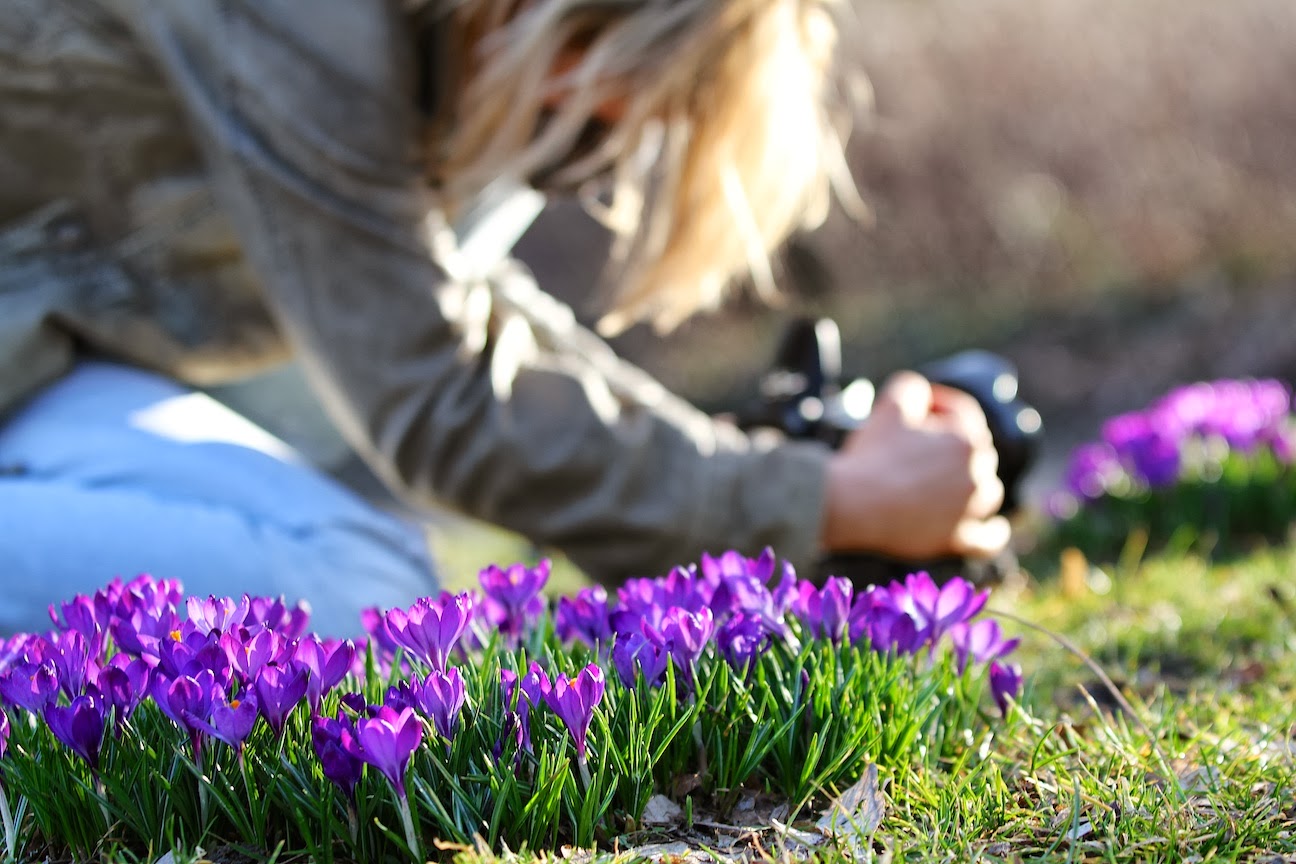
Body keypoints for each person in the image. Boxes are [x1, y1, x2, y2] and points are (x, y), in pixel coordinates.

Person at [0, 0, 1007, 637]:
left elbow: (456, 309)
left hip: (33, 372)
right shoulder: (306, 24)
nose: (589, 165)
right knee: (349, 607)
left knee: (366, 583)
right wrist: (822, 504)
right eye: (606, 128)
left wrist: (788, 485)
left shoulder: (420, 37)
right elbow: (439, 395)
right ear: (579, 28)